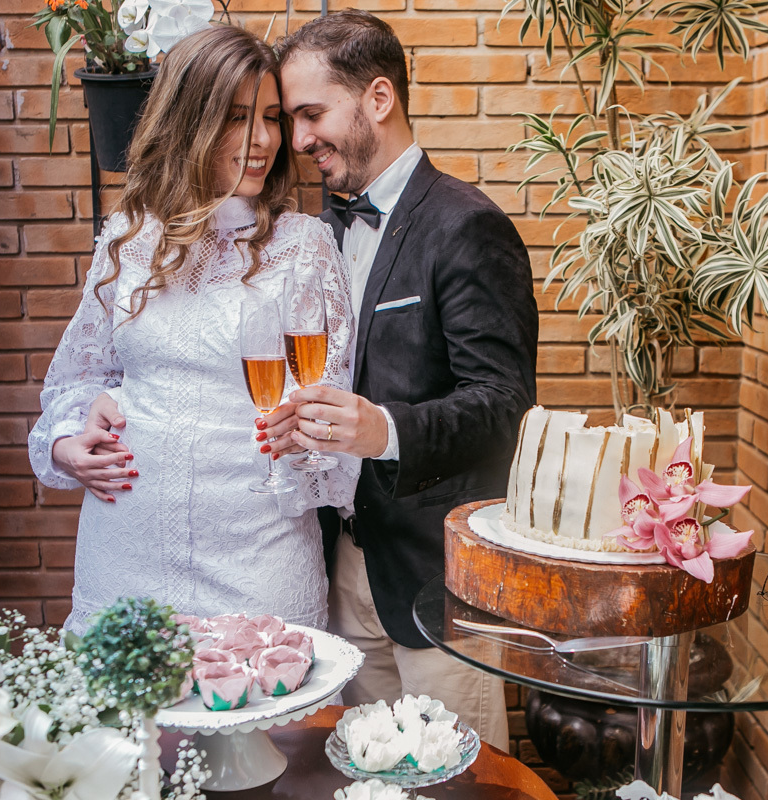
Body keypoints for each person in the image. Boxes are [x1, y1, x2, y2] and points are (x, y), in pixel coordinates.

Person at [265, 11, 538, 750]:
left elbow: (506, 405)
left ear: (378, 99)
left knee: (461, 780)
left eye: (311, 114)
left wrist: (382, 430)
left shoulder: (466, 224)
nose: (298, 141)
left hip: (435, 580)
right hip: (347, 566)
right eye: (291, 120)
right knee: (369, 777)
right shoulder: (317, 230)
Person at [27, 24, 357, 634]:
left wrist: (304, 443)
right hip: (125, 544)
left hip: (258, 551)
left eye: (271, 118)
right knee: (122, 725)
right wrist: (68, 444)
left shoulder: (303, 246)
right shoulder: (129, 237)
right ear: (189, 121)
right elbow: (78, 379)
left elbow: (326, 420)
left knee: (261, 722)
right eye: (237, 117)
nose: (262, 140)